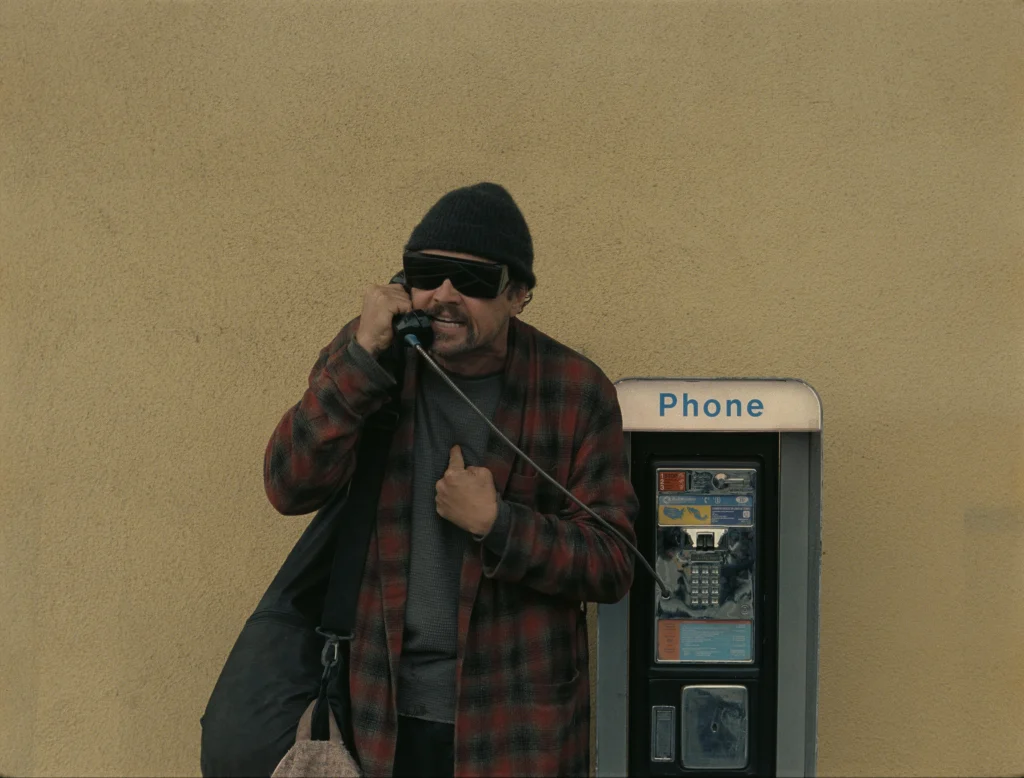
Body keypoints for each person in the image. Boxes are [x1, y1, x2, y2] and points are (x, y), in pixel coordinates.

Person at [263, 182, 639, 777]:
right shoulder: (374, 360)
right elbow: (289, 484)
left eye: (472, 281)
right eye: (425, 274)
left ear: (518, 294)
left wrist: (500, 525)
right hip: (377, 718)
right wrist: (361, 357)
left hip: (516, 727)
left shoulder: (575, 390)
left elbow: (614, 562)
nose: (442, 295)